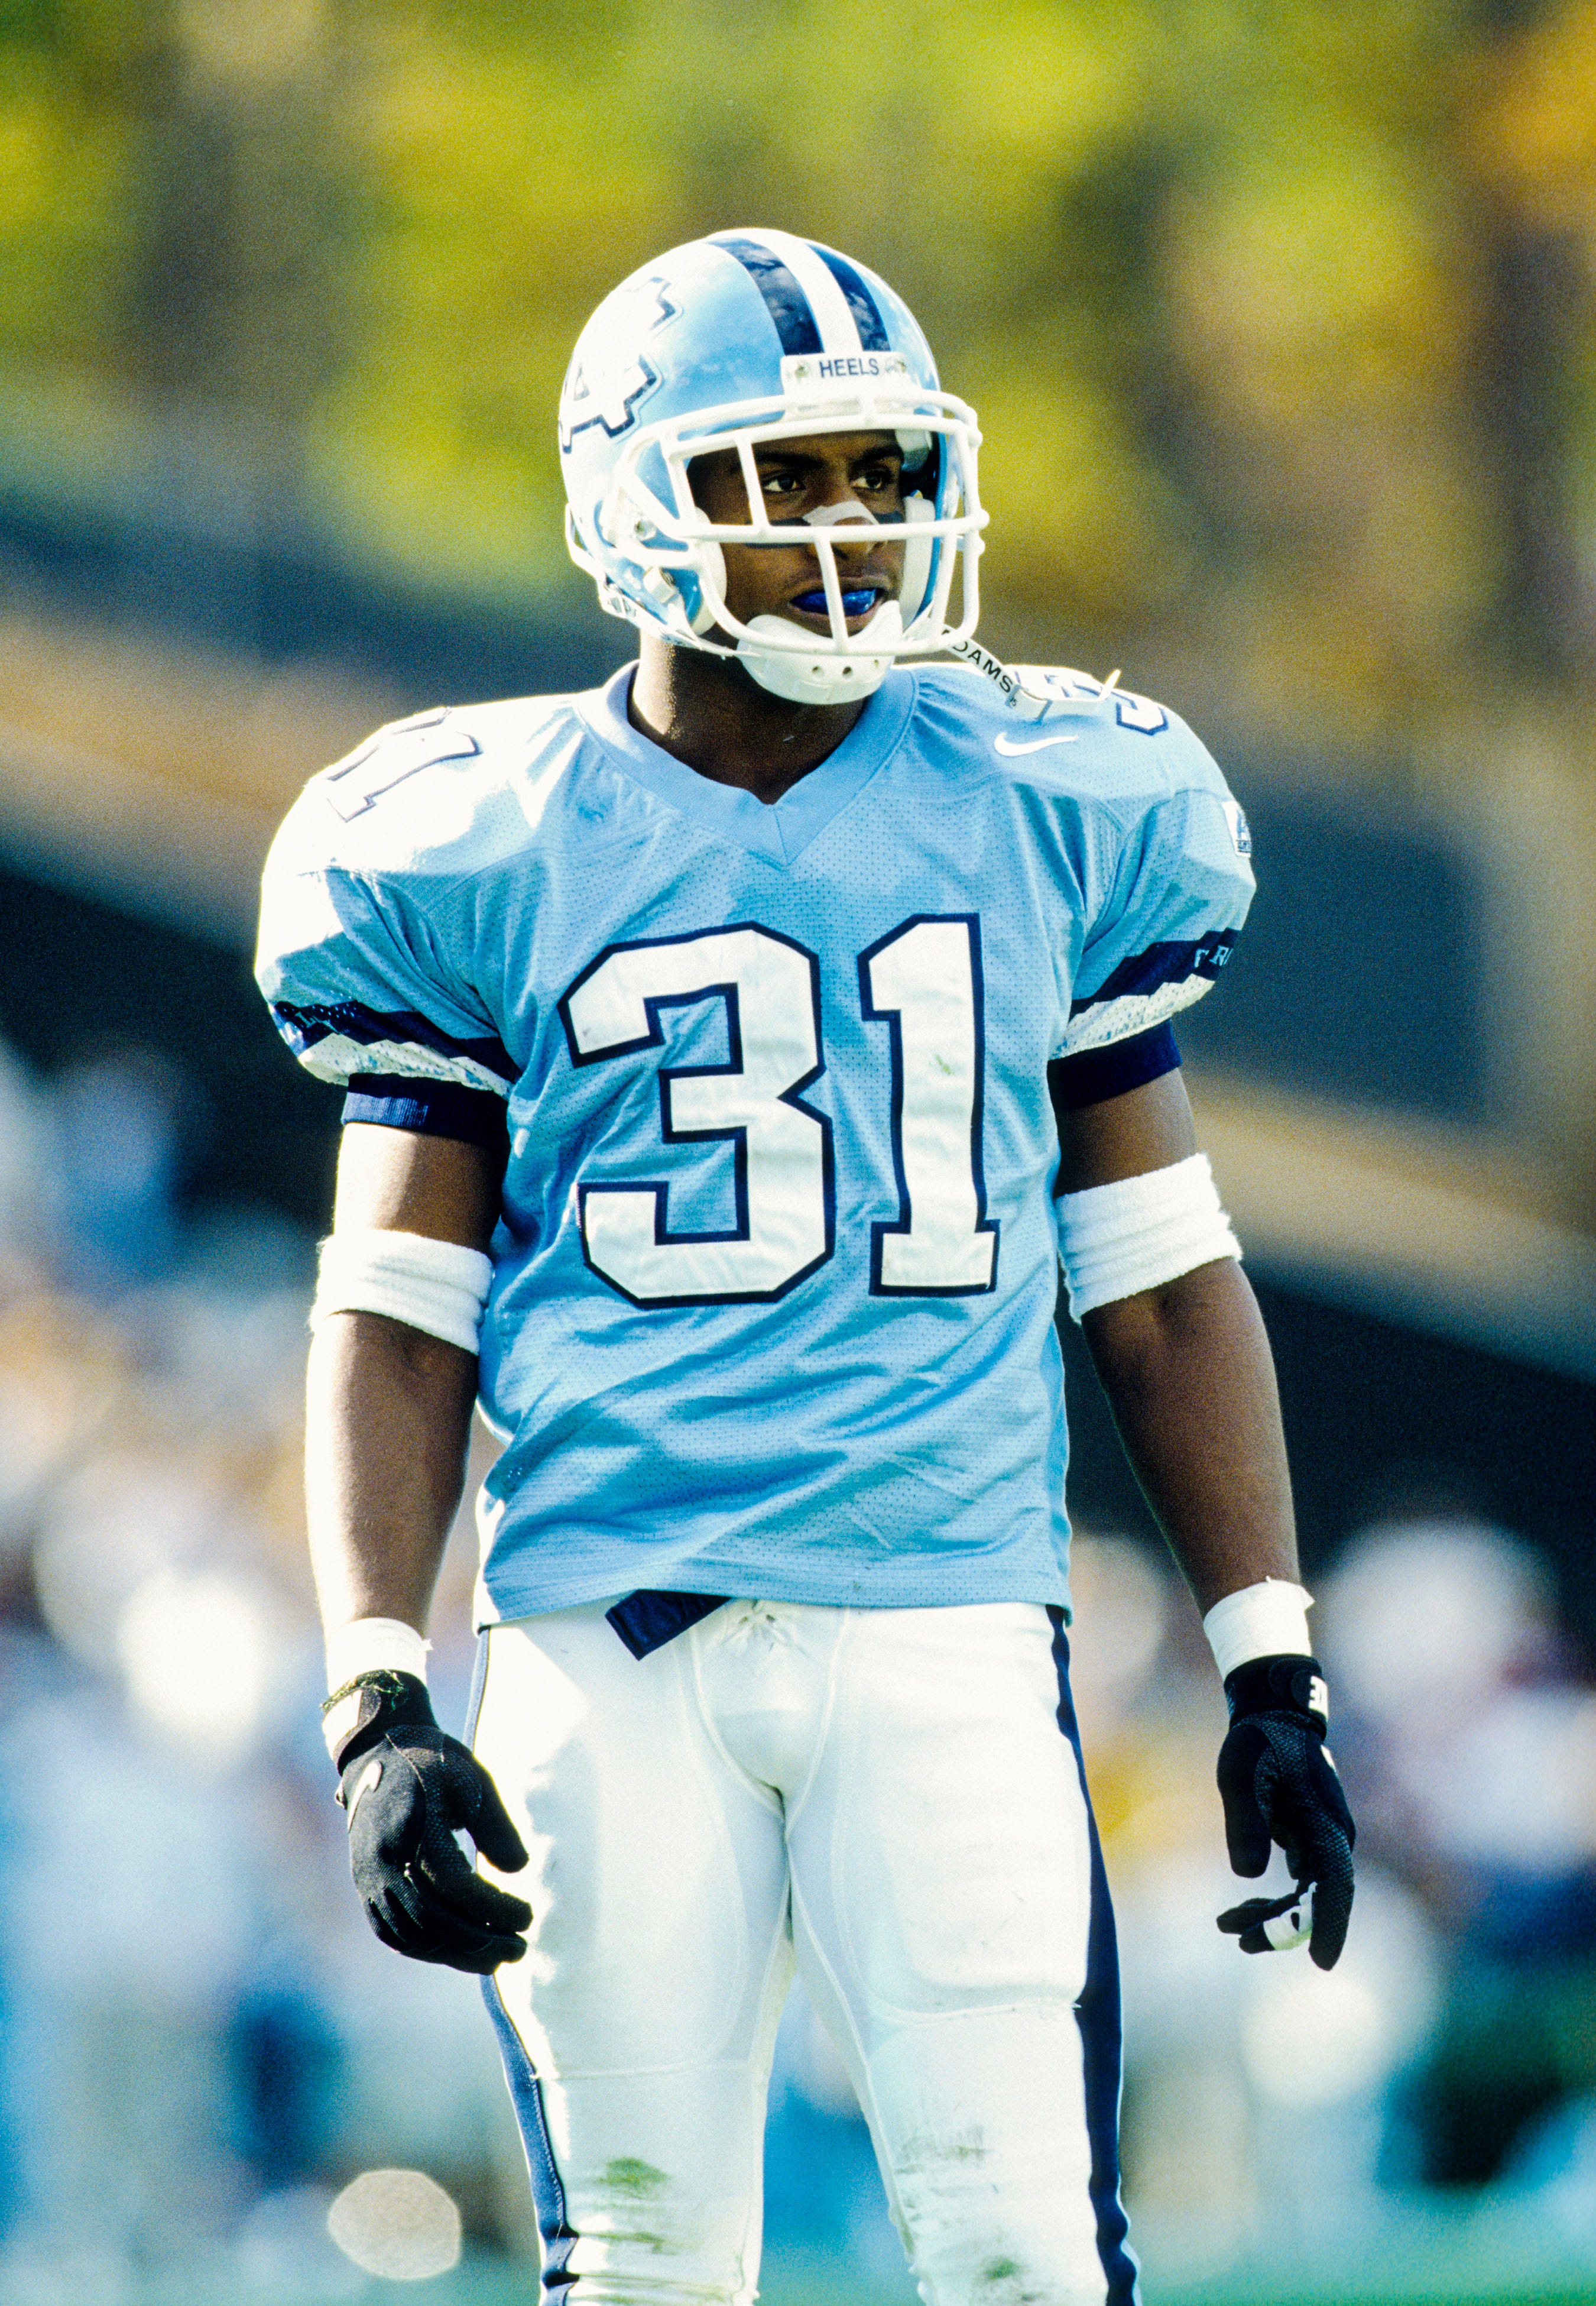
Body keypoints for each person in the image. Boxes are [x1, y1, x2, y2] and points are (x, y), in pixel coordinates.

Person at [255, 228, 1355, 2306]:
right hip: (606, 1627)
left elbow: (1157, 1273)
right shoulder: (477, 834)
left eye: (878, 473)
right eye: (789, 476)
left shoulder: (1051, 800)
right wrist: (375, 1687)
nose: (850, 528)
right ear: (635, 498)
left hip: (946, 1615)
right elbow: (395, 1300)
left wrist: (1269, 1654)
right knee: (647, 2264)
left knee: (1028, 2252)